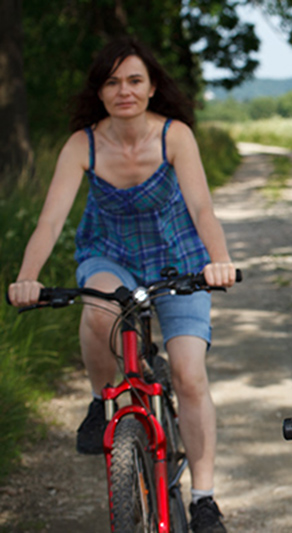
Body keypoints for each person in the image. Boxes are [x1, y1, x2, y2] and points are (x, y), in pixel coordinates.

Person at [7, 37, 235, 533]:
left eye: (134, 80)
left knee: (189, 373)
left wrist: (220, 261)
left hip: (179, 260)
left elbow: (201, 209)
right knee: (100, 310)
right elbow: (49, 222)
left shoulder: (175, 136)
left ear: (152, 87)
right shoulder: (83, 144)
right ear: (100, 92)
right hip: (109, 255)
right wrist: (28, 277)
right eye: (112, 82)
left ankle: (203, 499)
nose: (124, 90)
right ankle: (99, 400)